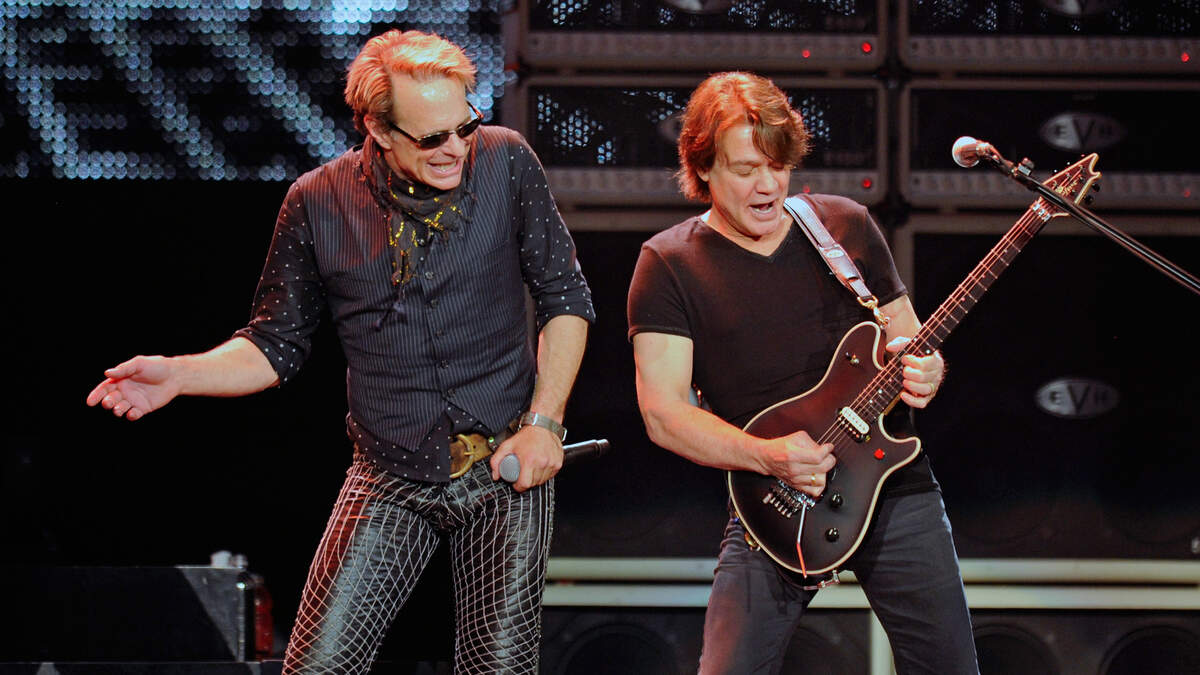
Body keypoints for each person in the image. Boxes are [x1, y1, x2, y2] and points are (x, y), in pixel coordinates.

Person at [87, 29, 593, 674]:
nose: (455, 148)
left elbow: (564, 298)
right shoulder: (316, 201)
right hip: (388, 470)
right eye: (431, 138)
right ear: (379, 129)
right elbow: (274, 346)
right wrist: (180, 375)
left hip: (504, 462)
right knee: (318, 666)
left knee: (498, 668)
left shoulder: (507, 160)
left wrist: (545, 422)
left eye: (464, 127)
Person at [627, 72, 979, 674]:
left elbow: (911, 341)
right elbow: (664, 414)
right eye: (746, 169)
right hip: (774, 505)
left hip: (893, 489)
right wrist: (768, 457)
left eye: (777, 165)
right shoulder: (668, 263)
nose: (767, 185)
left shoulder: (844, 225)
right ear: (703, 167)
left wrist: (928, 371)